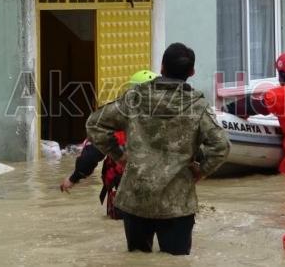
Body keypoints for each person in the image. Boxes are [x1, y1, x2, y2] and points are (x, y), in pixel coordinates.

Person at [86, 43, 230, 255]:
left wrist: (120, 156)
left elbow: (94, 124)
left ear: (161, 67)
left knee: (137, 260)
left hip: (136, 199)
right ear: (192, 72)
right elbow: (221, 146)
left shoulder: (134, 99)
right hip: (177, 204)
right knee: (175, 261)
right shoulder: (198, 107)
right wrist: (201, 171)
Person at [59, 70, 159, 220]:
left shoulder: (115, 121)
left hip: (125, 194)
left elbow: (91, 156)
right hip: (161, 194)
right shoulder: (172, 118)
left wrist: (73, 178)